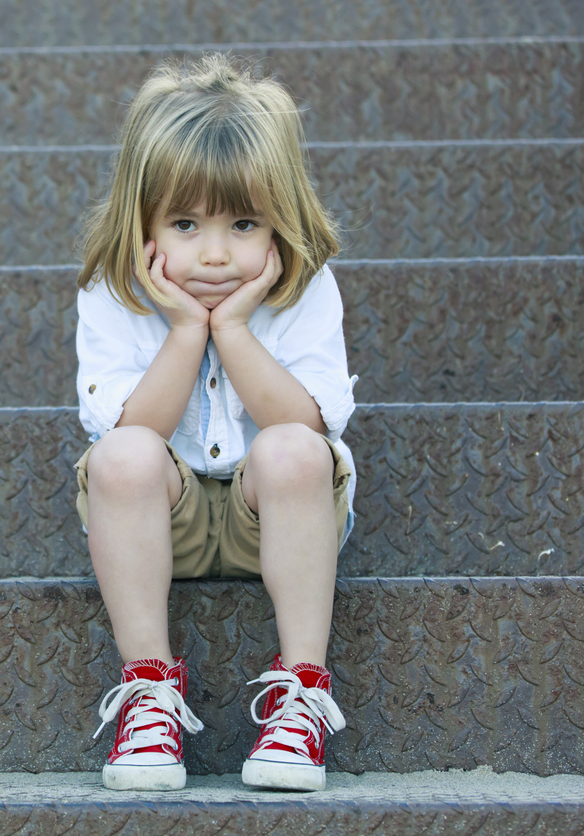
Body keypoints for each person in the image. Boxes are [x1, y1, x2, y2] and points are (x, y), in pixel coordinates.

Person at [74, 53, 357, 793]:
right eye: (184, 223)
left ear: (282, 221)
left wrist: (231, 328)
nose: (215, 254)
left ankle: (301, 694)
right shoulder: (113, 291)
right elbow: (130, 427)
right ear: (141, 222)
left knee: (295, 449)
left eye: (244, 223)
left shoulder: (306, 288)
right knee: (121, 456)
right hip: (159, 521)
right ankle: (148, 691)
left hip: (277, 515)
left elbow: (306, 422)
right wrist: (184, 330)